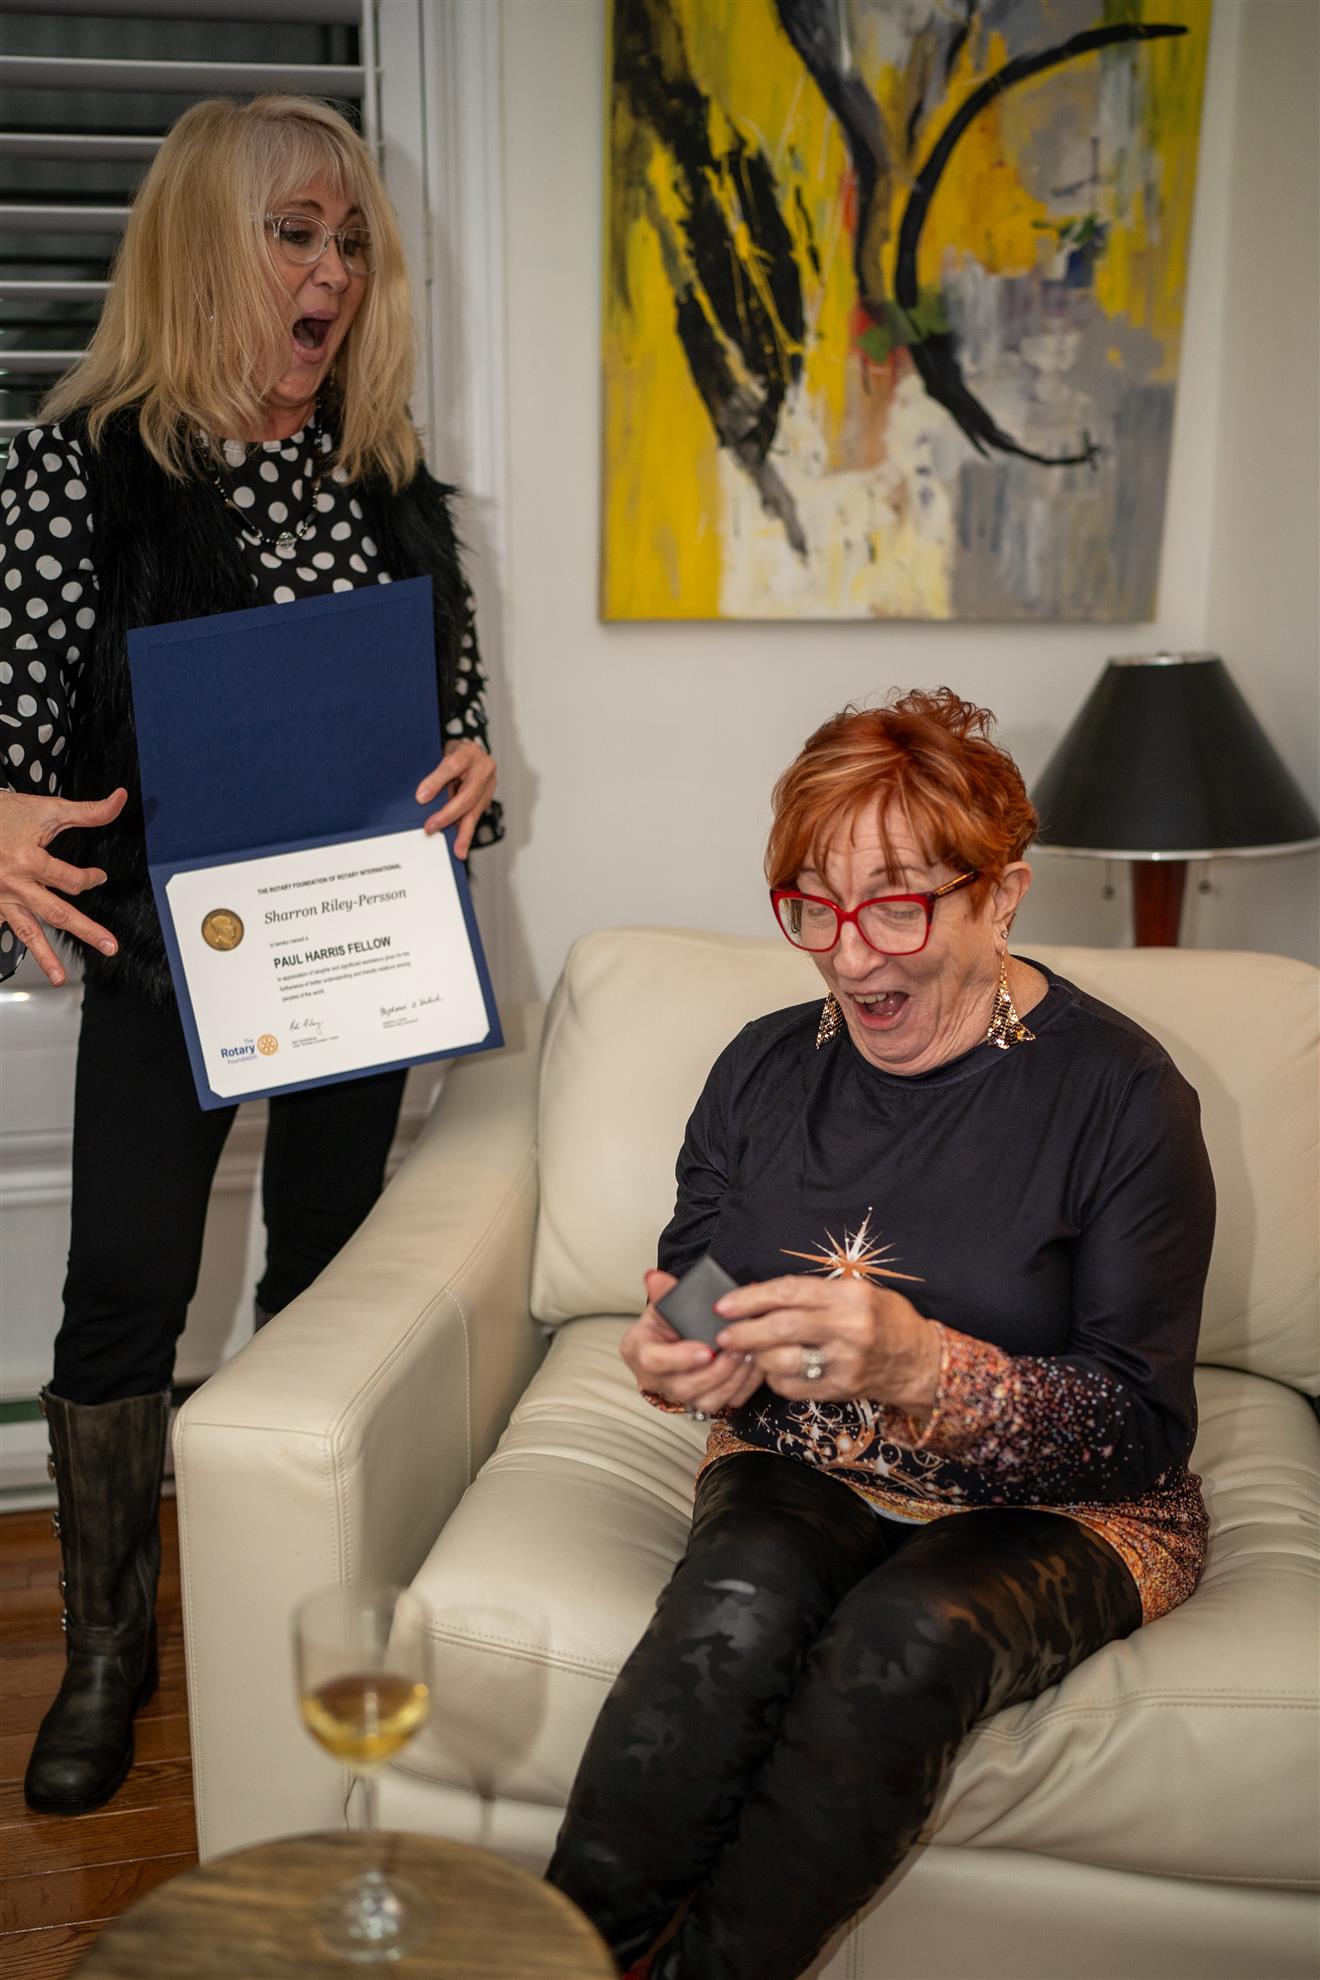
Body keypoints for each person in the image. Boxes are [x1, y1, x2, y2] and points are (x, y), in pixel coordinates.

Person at [0, 95, 502, 1816]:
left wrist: (470, 774)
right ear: (208, 247)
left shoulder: (389, 489)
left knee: (329, 1282)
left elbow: (454, 736)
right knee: (123, 1297)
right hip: (168, 960)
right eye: (296, 234)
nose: (333, 273)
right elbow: (12, 739)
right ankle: (109, 1653)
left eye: (351, 240)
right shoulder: (78, 472)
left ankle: (302, 1600)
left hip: (360, 956)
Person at [547, 690, 1214, 1980]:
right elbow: (697, 1273)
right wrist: (676, 1352)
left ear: (1000, 896)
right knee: (730, 1616)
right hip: (797, 1453)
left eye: (899, 905)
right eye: (813, 905)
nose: (851, 958)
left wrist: (925, 1369)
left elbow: (1140, 1429)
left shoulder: (1124, 1098)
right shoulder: (762, 1067)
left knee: (899, 1647)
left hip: (1070, 1510)